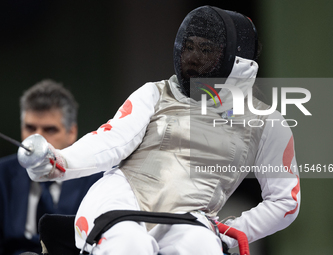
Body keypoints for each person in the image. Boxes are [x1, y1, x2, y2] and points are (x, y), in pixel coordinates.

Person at [25, 6, 301, 255]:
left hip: (189, 218)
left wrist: (229, 233)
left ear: (237, 62)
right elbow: (111, 140)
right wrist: (59, 161)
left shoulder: (267, 124)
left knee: (203, 248)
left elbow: (284, 200)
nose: (192, 58)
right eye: (189, 47)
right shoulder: (155, 93)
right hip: (122, 200)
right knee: (130, 246)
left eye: (205, 51)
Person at [0, 80, 103, 255]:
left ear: (72, 132)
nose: (36, 140)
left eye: (50, 130)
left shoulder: (96, 179)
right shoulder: (3, 174)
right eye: (30, 128)